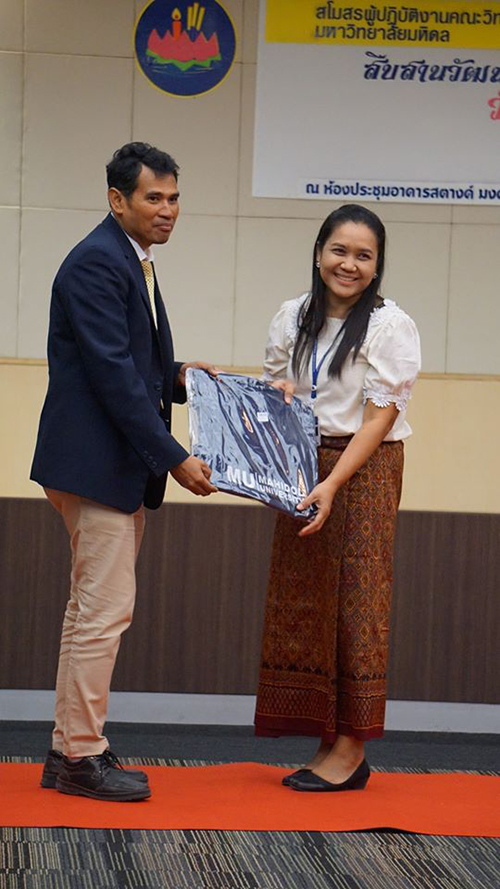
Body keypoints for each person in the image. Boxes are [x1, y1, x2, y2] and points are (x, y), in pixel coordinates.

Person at [30, 142, 217, 802]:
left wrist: (186, 377)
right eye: (152, 198)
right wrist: (175, 457)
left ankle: (68, 749)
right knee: (104, 612)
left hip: (105, 466)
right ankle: (81, 756)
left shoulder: (131, 259)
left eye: (174, 198)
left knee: (90, 611)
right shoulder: (97, 262)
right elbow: (113, 377)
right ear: (117, 200)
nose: (167, 210)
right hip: (95, 465)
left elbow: (135, 365)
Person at [254, 204, 421, 792]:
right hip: (303, 463)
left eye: (363, 256)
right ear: (320, 252)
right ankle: (327, 736)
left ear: (377, 266)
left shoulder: (389, 325)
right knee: (307, 598)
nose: (349, 265)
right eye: (339, 251)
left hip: (363, 467)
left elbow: (379, 419)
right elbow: (279, 390)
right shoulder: (292, 315)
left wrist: (333, 482)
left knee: (356, 602)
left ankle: (351, 746)